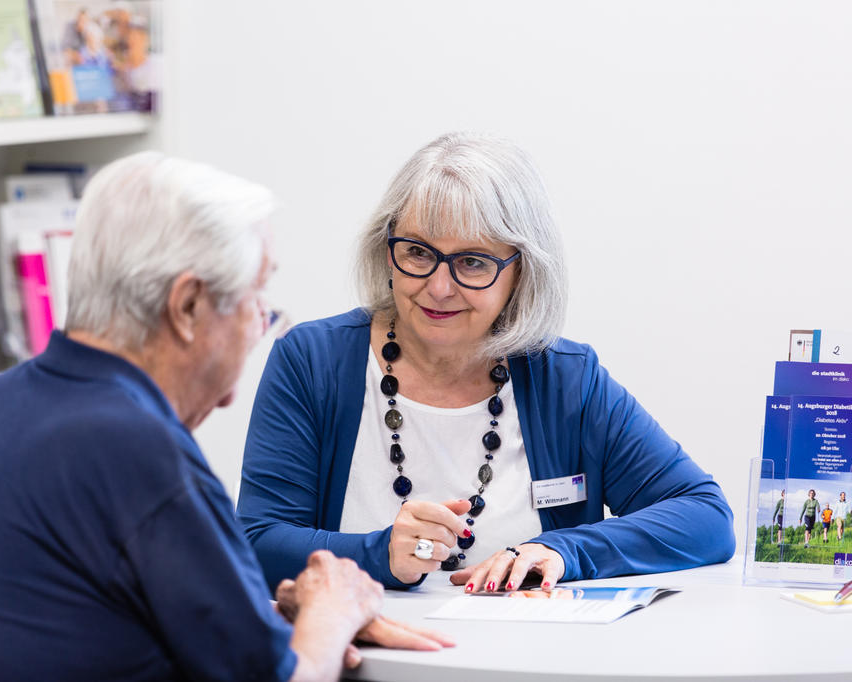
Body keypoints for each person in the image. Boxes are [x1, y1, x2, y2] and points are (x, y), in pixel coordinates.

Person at [0, 152, 451, 682]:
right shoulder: (135, 448)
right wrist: (336, 608)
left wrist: (296, 614)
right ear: (187, 308)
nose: (262, 325)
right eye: (257, 299)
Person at [238, 131, 735, 595]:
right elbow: (258, 542)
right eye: (417, 252)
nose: (437, 286)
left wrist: (561, 549)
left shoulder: (565, 378)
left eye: (472, 262)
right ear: (387, 251)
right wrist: (379, 553)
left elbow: (705, 518)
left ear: (521, 273)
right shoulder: (312, 360)